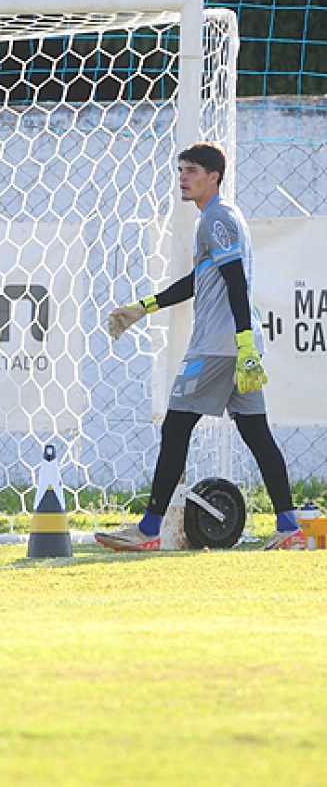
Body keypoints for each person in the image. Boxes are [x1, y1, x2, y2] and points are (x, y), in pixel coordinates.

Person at [98, 142, 300, 550]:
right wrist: (144, 306)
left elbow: (235, 281)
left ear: (214, 177)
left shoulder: (216, 218)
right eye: (181, 170)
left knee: (176, 427)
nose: (183, 178)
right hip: (235, 347)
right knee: (257, 434)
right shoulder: (220, 218)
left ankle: (149, 530)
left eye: (192, 171)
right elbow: (200, 281)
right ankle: (290, 526)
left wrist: (242, 341)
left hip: (218, 348)